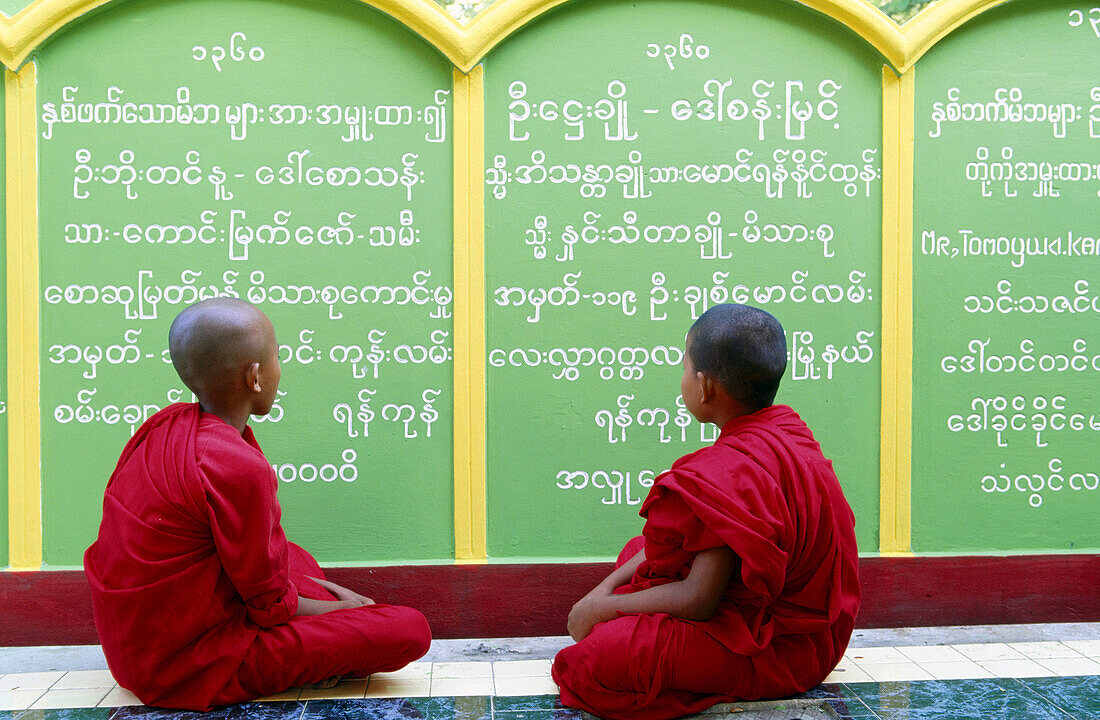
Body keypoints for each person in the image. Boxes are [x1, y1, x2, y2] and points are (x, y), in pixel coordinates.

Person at [84, 298, 431, 710]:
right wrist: (345, 608)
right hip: (190, 666)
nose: (280, 368)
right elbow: (269, 608)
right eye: (277, 356)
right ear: (254, 377)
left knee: (295, 558)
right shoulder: (235, 465)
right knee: (408, 629)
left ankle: (325, 641)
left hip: (130, 648)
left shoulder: (163, 425)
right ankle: (312, 659)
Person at [552, 304, 860, 720]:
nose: (681, 379)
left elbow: (699, 600)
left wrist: (602, 608)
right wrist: (599, 595)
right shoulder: (784, 431)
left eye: (684, 367)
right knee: (639, 550)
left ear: (704, 386)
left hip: (785, 647)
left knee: (594, 661)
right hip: (817, 632)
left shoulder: (731, 471)